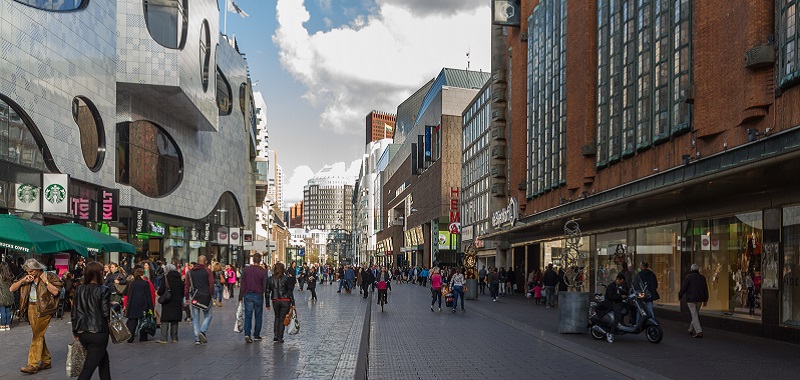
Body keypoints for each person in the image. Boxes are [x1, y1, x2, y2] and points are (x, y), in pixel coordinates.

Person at [9, 259, 62, 374]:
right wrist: (23, 281)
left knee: (37, 335)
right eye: (28, 271)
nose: (30, 273)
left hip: (45, 309)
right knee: (38, 335)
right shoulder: (26, 277)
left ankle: (32, 364)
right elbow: (12, 288)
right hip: (31, 308)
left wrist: (46, 281)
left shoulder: (50, 276)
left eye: (32, 271)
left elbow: (56, 292)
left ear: (38, 268)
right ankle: (46, 360)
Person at [71, 261, 111, 380]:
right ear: (99, 273)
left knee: (103, 362)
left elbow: (74, 313)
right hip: (98, 332)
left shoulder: (79, 289)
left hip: (83, 332)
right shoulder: (104, 289)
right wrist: (114, 306)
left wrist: (75, 332)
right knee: (88, 369)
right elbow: (105, 313)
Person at [184, 255, 215, 345]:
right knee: (208, 315)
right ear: (205, 262)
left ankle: (197, 339)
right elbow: (211, 284)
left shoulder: (190, 272)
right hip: (206, 296)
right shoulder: (208, 271)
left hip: (195, 296)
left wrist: (186, 297)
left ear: (197, 261)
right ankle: (202, 331)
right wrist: (211, 294)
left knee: (196, 318)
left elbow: (186, 286)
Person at [239, 254, 267, 343]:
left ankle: (247, 334)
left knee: (248, 315)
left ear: (253, 260)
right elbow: (265, 285)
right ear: (260, 261)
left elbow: (242, 284)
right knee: (258, 315)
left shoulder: (246, 270)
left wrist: (240, 296)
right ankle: (256, 334)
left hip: (247, 294)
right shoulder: (263, 271)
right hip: (258, 294)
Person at [266, 262, 296, 343]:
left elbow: (267, 292)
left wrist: (267, 304)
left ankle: (276, 335)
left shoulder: (270, 279)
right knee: (282, 318)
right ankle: (280, 336)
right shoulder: (286, 278)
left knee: (277, 317)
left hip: (275, 300)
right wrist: (293, 303)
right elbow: (290, 291)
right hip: (285, 300)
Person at [679, 263, 709, 338]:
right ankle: (691, 329)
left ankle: (699, 331)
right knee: (695, 314)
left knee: (694, 315)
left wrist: (680, 296)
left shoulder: (688, 277)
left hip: (691, 299)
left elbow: (683, 287)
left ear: (691, 269)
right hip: (700, 299)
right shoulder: (702, 277)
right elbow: (705, 289)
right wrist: (705, 299)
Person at [125, 268, 153, 343]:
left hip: (133, 304)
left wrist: (127, 305)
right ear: (142, 274)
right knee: (143, 321)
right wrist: (151, 307)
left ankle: (130, 337)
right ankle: (143, 337)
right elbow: (148, 295)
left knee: (133, 321)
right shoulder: (145, 283)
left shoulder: (132, 283)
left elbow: (128, 294)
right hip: (143, 304)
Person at [156, 264, 183, 343]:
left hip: (168, 301)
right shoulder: (179, 278)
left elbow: (161, 290)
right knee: (175, 320)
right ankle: (174, 337)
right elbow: (182, 290)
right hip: (177, 301)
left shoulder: (166, 278)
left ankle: (163, 338)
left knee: (165, 320)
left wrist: (159, 292)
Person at [603, 273, 629, 343]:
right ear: (617, 279)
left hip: (618, 303)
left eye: (623, 281)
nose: (622, 283)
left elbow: (626, 292)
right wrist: (621, 297)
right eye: (621, 281)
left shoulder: (620, 286)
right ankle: (610, 333)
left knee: (631, 308)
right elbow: (611, 297)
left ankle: (625, 326)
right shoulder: (611, 286)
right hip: (612, 303)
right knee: (618, 316)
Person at [0, 262, 15, 331]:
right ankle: (7, 325)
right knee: (8, 311)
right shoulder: (10, 276)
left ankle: (2, 325)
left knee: (2, 311)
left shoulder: (0, 276)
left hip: (2, 295)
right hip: (9, 295)